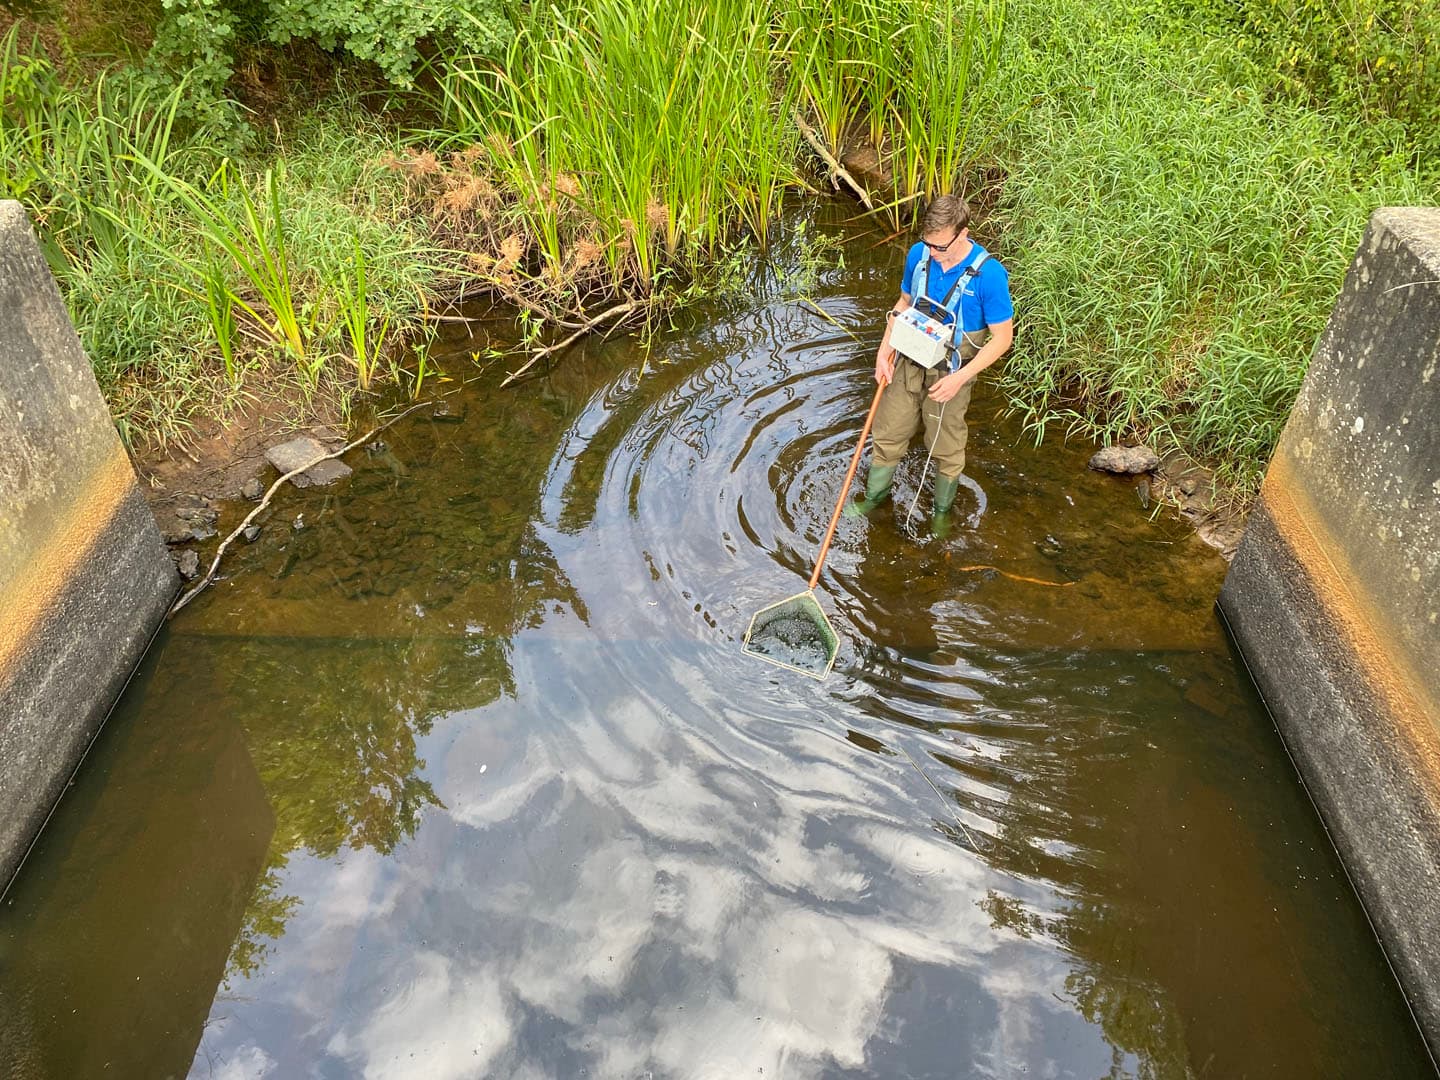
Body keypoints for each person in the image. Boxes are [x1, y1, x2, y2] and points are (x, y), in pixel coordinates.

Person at [846, 195, 1014, 533]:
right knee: (888, 432)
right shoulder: (919, 256)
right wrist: (884, 351)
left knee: (946, 445)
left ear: (963, 233)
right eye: (929, 245)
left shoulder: (989, 276)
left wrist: (959, 379)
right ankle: (875, 497)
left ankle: (941, 514)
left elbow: (1002, 339)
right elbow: (904, 303)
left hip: (952, 372)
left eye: (941, 247)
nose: (934, 254)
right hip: (908, 360)